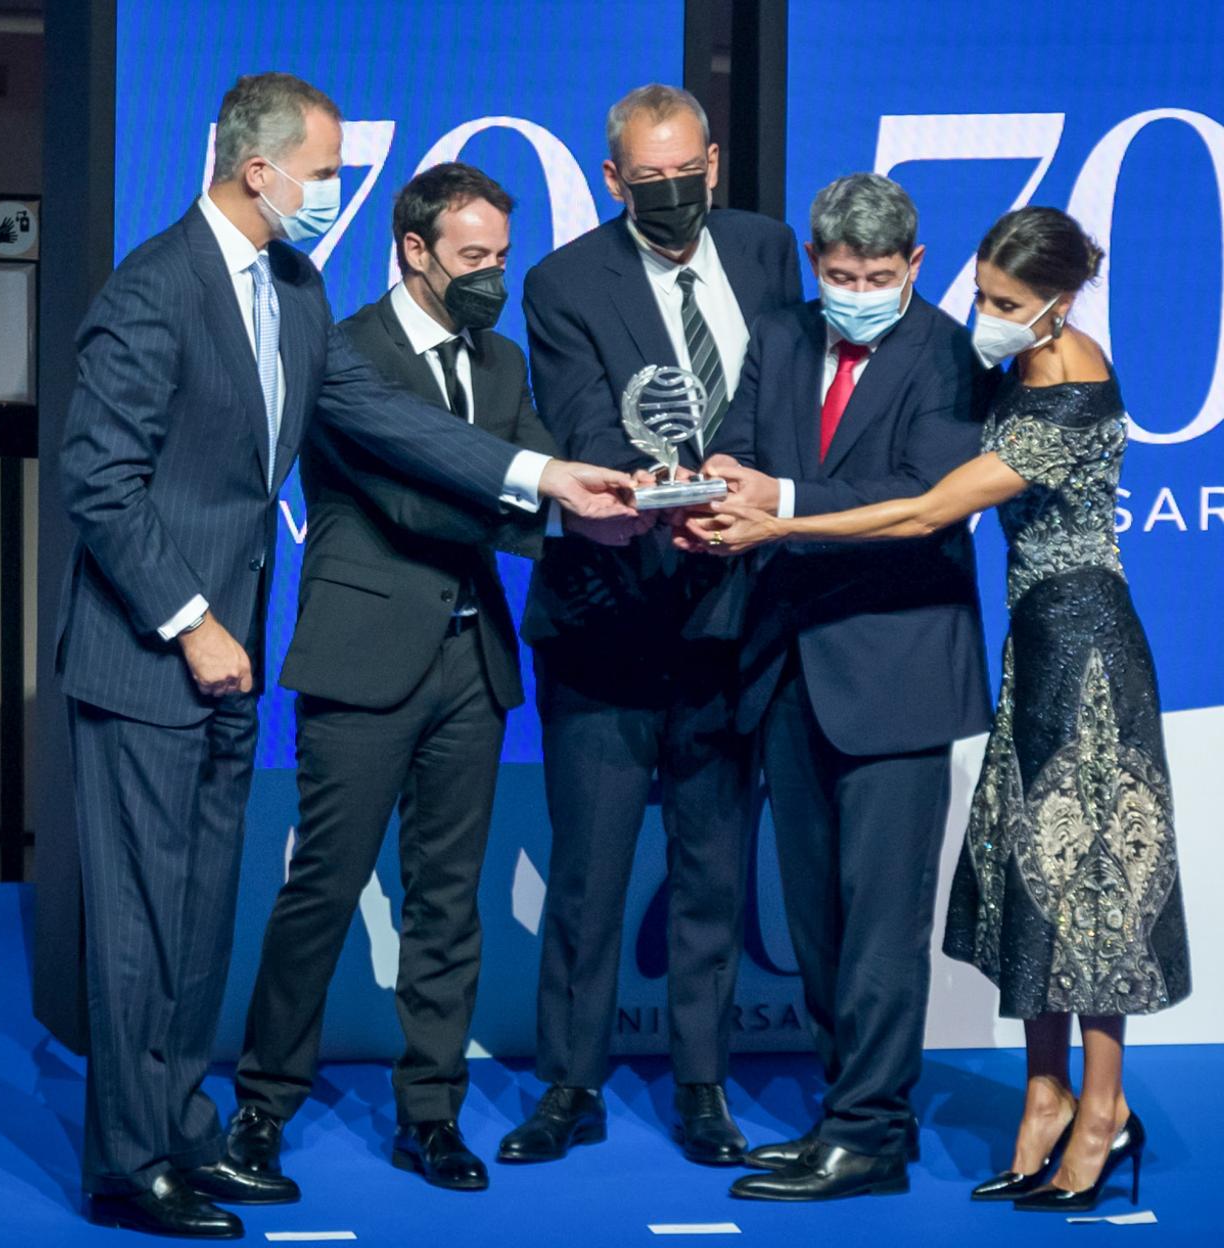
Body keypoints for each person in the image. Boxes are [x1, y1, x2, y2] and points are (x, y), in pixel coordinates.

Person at [56, 72, 632, 1240]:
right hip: (152, 655)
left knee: (201, 918)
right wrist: (191, 620)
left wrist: (542, 476)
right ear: (257, 169)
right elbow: (97, 482)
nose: (336, 191)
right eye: (323, 171)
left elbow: (383, 415)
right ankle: (129, 1166)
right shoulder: (151, 289)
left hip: (229, 661)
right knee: (141, 926)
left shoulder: (293, 283)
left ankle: (181, 1127)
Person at [689, 205, 1191, 1212]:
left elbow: (925, 507)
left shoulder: (1066, 388)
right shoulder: (1004, 366)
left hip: (1083, 655)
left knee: (1087, 893)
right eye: (984, 294)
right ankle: (1019, 1103)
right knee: (1032, 891)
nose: (986, 316)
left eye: (1007, 304)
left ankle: (1090, 1111)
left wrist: (778, 510)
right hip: (1025, 649)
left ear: (1058, 300)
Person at [226, 162, 557, 1196]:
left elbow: (541, 466)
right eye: (474, 257)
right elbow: (413, 501)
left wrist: (592, 498)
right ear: (415, 250)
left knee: (448, 901)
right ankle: (261, 1108)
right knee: (322, 891)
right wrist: (545, 504)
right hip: (364, 661)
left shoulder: (501, 361)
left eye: (502, 255)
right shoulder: (343, 351)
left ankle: (431, 1113)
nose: (494, 275)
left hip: (472, 663)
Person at [498, 84, 802, 1168]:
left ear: (713, 164)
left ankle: (704, 1089)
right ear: (615, 176)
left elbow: (787, 394)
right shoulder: (563, 280)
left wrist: (753, 482)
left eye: (688, 176)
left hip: (732, 620)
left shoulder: (769, 253)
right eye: (649, 180)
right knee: (588, 872)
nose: (671, 195)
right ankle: (568, 1086)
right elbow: (582, 420)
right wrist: (658, 488)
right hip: (609, 618)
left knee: (714, 870)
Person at [680, 173, 995, 1202]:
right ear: (815, 265)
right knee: (815, 919)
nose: (854, 289)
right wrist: (721, 482)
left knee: (879, 923)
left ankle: (871, 1133)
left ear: (913, 265)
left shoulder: (947, 350)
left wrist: (781, 500)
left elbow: (922, 499)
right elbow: (747, 444)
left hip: (896, 671)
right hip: (787, 664)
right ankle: (843, 1112)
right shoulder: (780, 334)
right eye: (838, 273)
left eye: (876, 275)